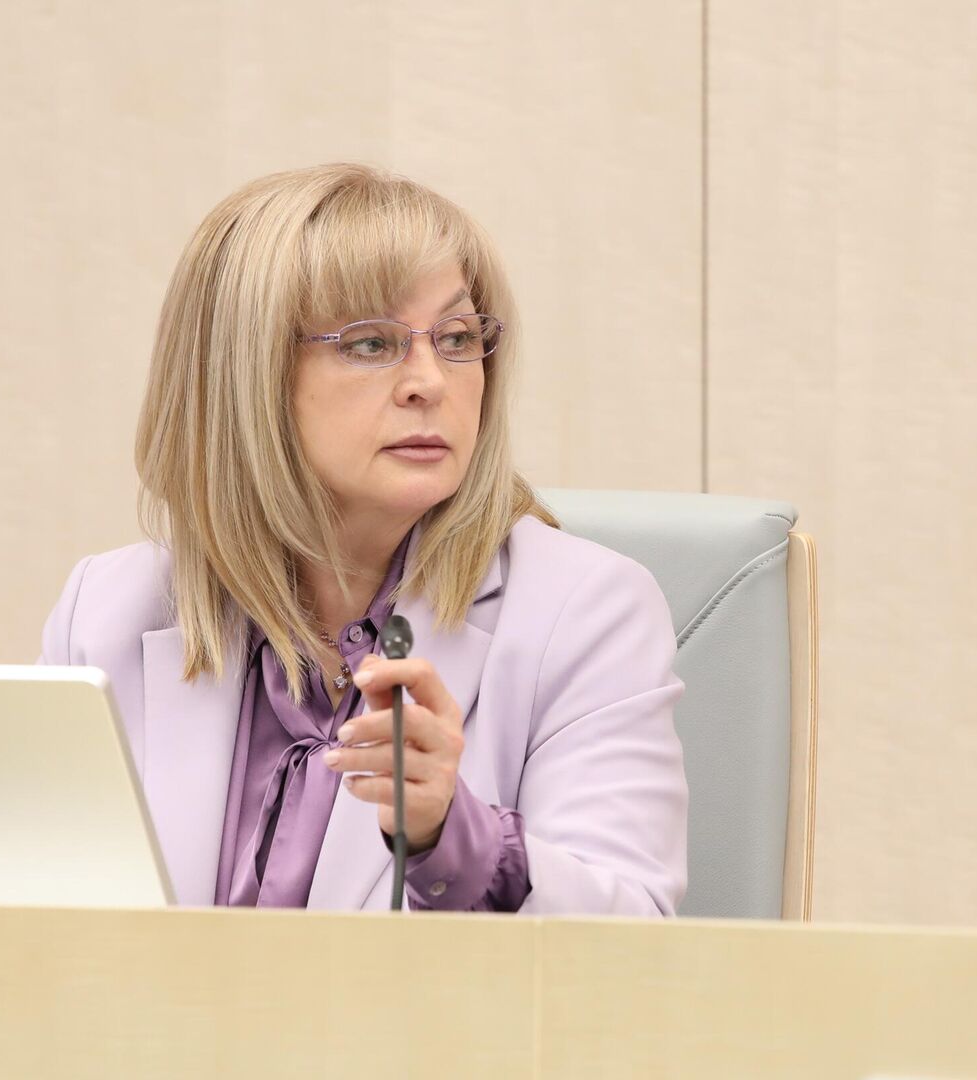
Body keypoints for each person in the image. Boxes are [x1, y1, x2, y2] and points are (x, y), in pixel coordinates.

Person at [39, 163, 686, 915]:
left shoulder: (584, 611)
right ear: (244, 376)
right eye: (371, 344)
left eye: (456, 337)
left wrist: (453, 838)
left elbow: (634, 942)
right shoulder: (105, 612)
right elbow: (23, 915)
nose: (429, 382)